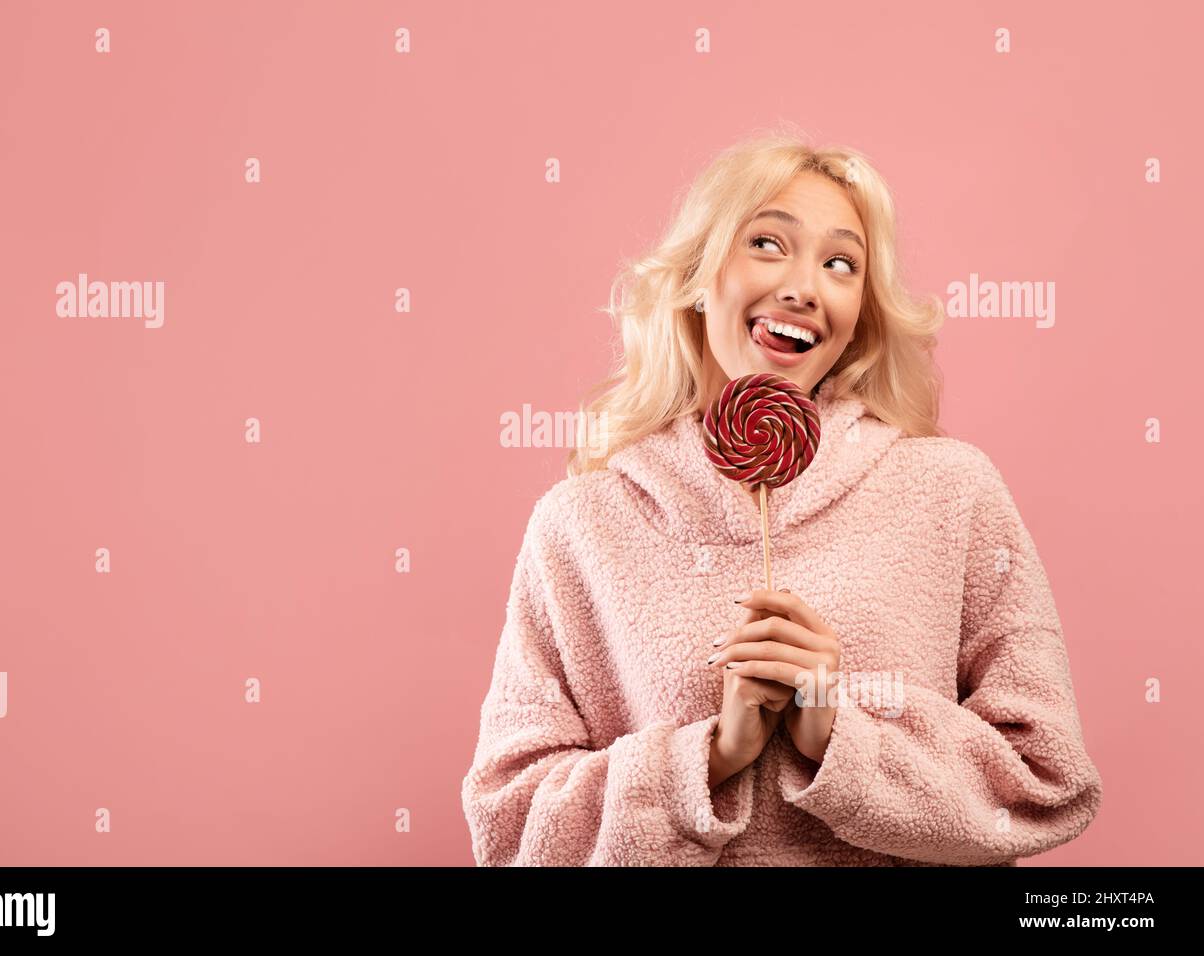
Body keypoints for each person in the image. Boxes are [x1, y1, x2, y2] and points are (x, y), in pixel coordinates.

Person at [459, 129, 1103, 866]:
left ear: (859, 310)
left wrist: (838, 739)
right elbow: (512, 829)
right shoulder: (580, 525)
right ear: (700, 277)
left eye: (840, 263)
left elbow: (1045, 777)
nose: (804, 286)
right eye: (768, 243)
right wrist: (709, 759)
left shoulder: (952, 490)